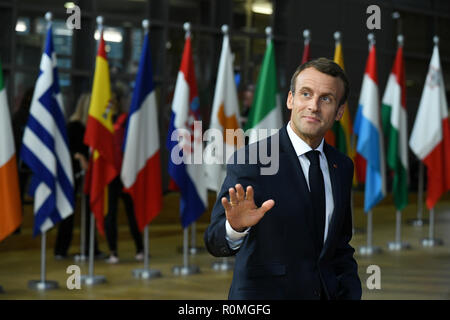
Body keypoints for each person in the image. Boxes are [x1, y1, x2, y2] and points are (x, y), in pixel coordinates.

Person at [204, 57, 362, 300]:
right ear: (290, 99)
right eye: (306, 94)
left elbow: (339, 246)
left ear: (340, 111)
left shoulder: (341, 166)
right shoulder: (252, 159)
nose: (314, 106)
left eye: (326, 99)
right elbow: (214, 241)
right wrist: (235, 227)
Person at [54, 93, 104, 259]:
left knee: (91, 211)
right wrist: (79, 156)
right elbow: (65, 149)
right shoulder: (74, 126)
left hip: (89, 174)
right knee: (68, 212)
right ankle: (61, 249)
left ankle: (91, 248)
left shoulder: (93, 128)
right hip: (73, 174)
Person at [104, 86, 144, 264]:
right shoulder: (102, 121)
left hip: (126, 173)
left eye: (113, 100)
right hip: (109, 174)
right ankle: (113, 251)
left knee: (132, 212)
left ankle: (140, 248)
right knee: (110, 213)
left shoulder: (125, 119)